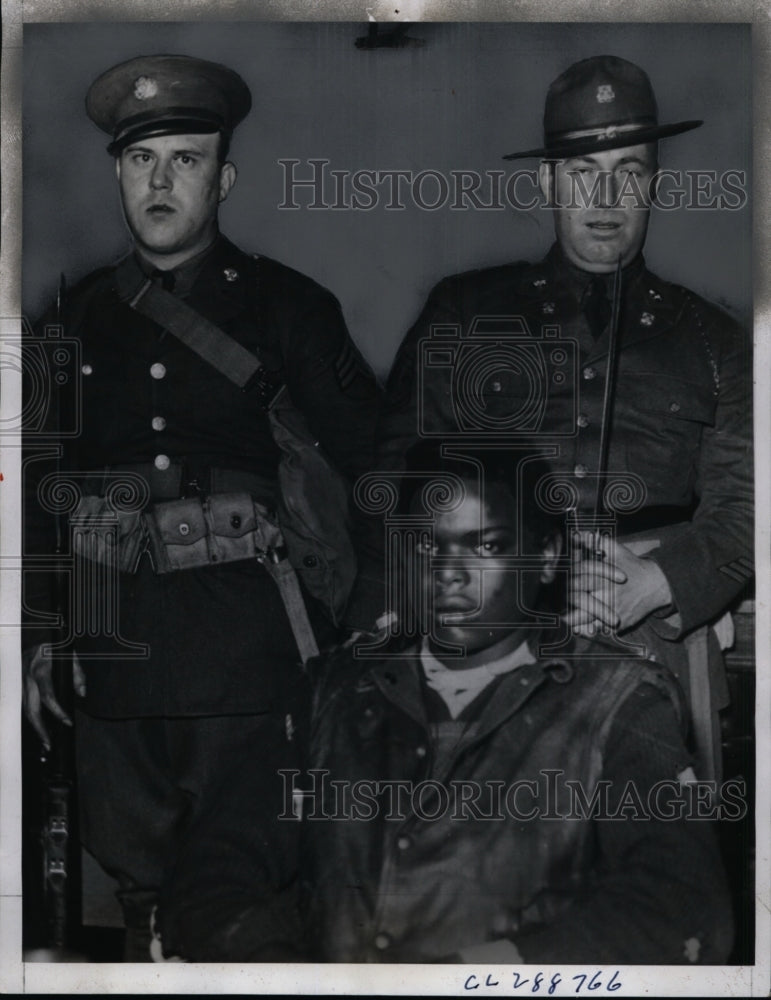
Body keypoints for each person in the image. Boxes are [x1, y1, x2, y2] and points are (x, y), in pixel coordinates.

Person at [21, 53, 381, 959]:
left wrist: (367, 635)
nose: (160, 182)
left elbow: (377, 472)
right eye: (141, 161)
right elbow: (34, 486)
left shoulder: (290, 308)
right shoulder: (68, 321)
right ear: (116, 173)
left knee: (244, 905)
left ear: (222, 180)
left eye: (184, 160)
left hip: (252, 659)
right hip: (112, 652)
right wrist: (35, 637)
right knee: (137, 901)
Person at [157, 444, 733, 964]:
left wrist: (477, 974)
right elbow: (212, 869)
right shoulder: (331, 690)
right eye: (429, 544)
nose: (451, 574)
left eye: (487, 545)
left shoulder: (618, 701)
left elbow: (684, 910)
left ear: (546, 556)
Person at [348, 55, 753, 781]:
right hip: (482, 651)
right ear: (546, 183)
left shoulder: (713, 341)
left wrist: (658, 583)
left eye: (629, 171)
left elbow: (748, 508)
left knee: (648, 842)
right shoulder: (466, 312)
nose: (606, 196)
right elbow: (394, 480)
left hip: (651, 661)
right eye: (581, 171)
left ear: (655, 184)